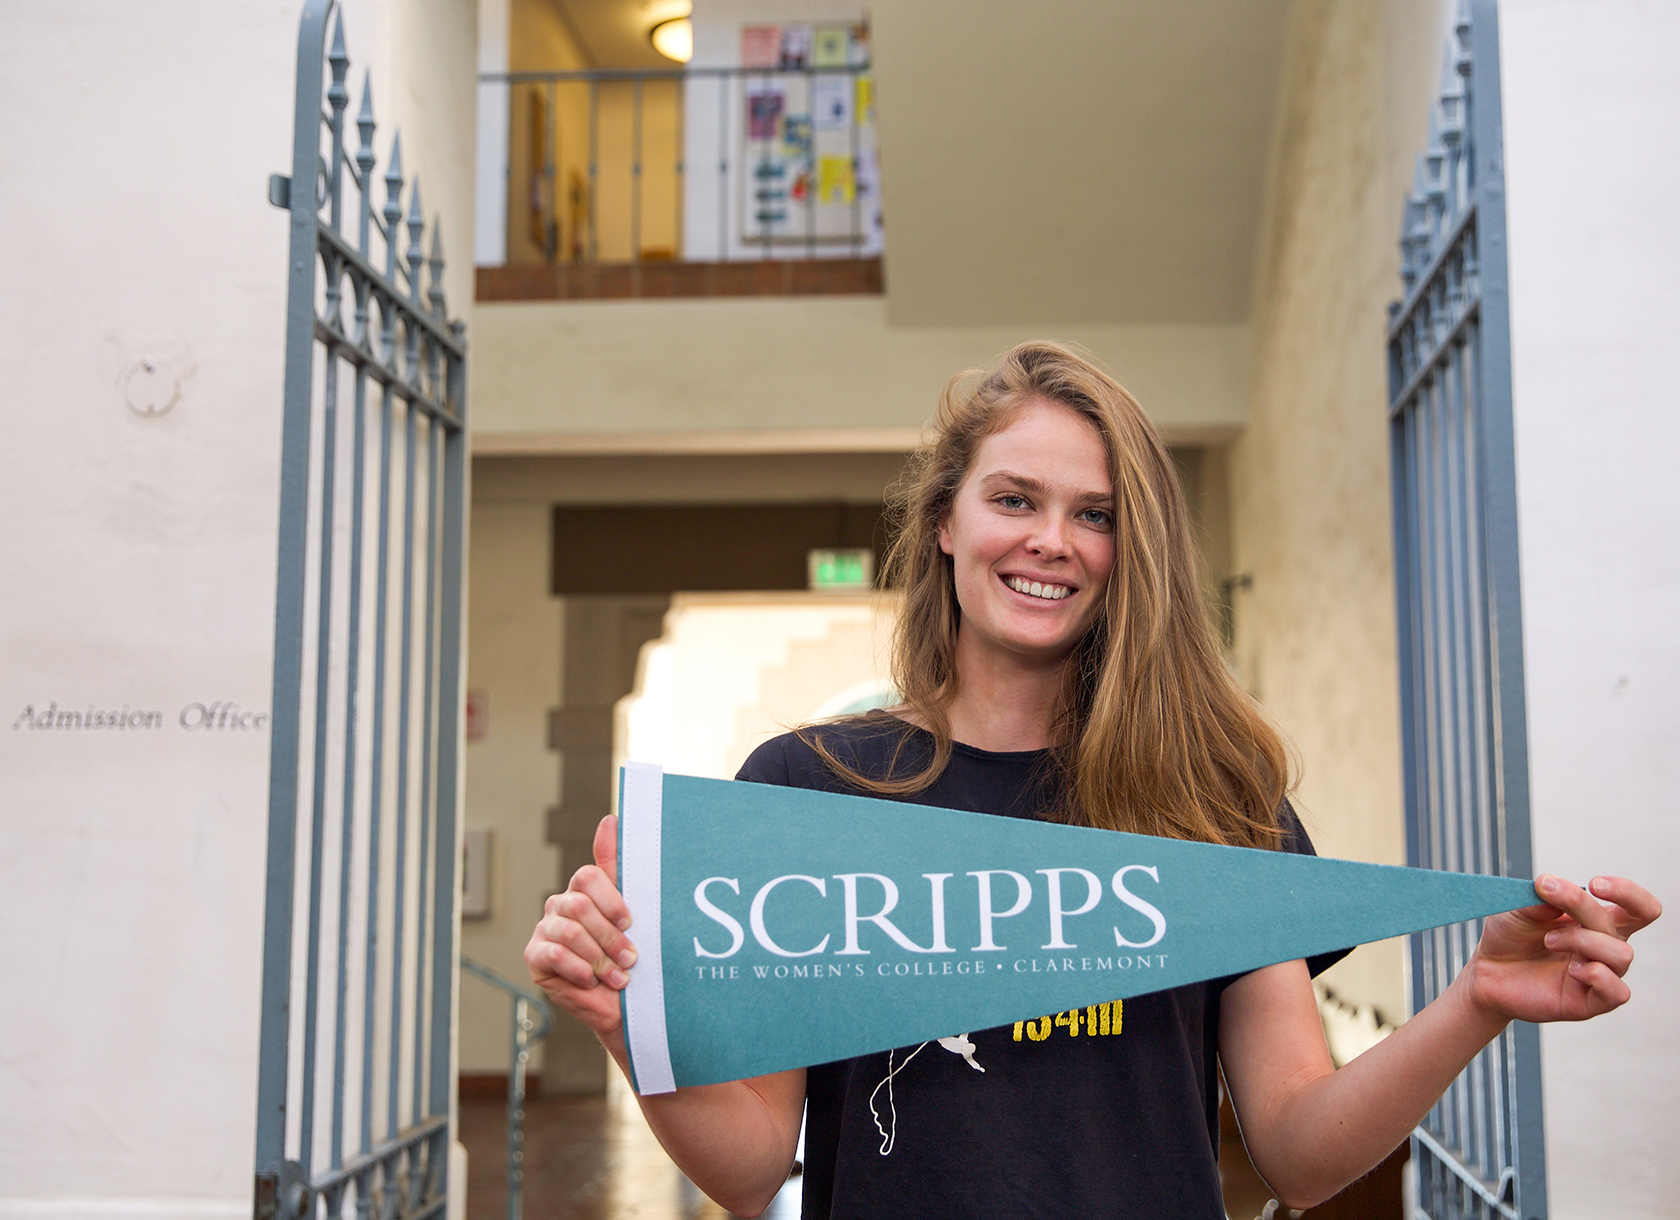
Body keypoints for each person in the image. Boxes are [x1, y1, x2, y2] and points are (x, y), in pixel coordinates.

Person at [525, 342, 1659, 1219]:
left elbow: (1300, 1144)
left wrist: (1476, 1001)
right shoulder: (807, 789)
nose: (1052, 540)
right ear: (945, 525)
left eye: (1096, 515)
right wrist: (632, 1023)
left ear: (1132, 551)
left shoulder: (1212, 801)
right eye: (1015, 498)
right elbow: (751, 1163)